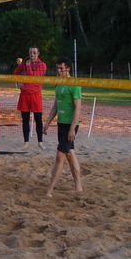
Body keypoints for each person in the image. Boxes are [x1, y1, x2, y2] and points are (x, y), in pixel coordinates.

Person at [43, 58, 83, 198]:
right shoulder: (58, 83)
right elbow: (56, 106)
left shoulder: (74, 84)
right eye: (57, 68)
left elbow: (78, 107)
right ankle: (78, 186)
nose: (59, 70)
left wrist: (72, 128)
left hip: (70, 124)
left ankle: (50, 190)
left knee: (60, 155)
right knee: (70, 153)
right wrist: (47, 122)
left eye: (61, 68)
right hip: (61, 123)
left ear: (68, 69)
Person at [13, 46, 47, 149]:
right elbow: (15, 73)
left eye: (34, 52)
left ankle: (40, 142)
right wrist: (18, 82)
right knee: (25, 119)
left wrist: (27, 67)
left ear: (38, 54)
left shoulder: (42, 65)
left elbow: (34, 77)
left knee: (38, 119)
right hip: (24, 94)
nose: (32, 54)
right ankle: (26, 141)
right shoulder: (24, 63)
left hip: (36, 94)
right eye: (30, 52)